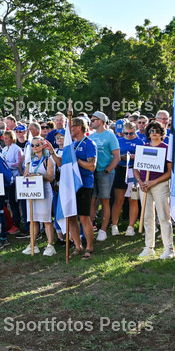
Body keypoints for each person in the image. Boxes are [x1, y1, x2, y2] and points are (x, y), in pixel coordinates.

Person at [135, 121, 173, 260]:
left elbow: (170, 172)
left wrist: (154, 182)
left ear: (162, 133)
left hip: (160, 185)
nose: (154, 132)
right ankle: (149, 247)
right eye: (151, 130)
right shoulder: (143, 147)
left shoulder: (166, 148)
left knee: (164, 216)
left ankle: (169, 248)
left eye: (157, 130)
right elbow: (136, 168)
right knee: (147, 217)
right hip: (144, 186)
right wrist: (141, 182)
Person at [69, 117, 98, 258]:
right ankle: (77, 246)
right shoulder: (71, 144)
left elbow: (92, 166)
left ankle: (89, 248)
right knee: (71, 217)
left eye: (72, 126)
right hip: (71, 185)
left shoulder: (89, 144)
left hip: (85, 184)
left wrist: (77, 161)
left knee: (84, 217)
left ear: (79, 127)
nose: (70, 129)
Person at [24, 136, 58, 256]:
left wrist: (38, 175)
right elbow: (25, 174)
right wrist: (28, 175)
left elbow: (51, 177)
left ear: (43, 145)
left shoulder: (48, 160)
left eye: (37, 145)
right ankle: (33, 244)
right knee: (33, 220)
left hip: (45, 192)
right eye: (32, 145)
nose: (34, 147)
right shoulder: (30, 160)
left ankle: (50, 245)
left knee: (46, 220)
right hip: (31, 192)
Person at [90, 111, 120, 241]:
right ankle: (90, 227)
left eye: (93, 120)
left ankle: (103, 230)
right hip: (93, 172)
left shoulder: (110, 135)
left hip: (105, 173)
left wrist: (107, 170)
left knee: (105, 200)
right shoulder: (91, 136)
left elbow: (117, 156)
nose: (91, 122)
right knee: (91, 200)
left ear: (101, 121)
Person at [114, 120, 142, 236]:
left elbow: (143, 157)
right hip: (121, 170)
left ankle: (131, 226)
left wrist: (136, 157)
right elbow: (114, 156)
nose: (129, 136)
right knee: (119, 200)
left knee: (133, 200)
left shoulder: (139, 142)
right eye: (126, 133)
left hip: (134, 170)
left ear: (135, 132)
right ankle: (114, 225)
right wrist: (121, 157)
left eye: (131, 133)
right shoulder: (118, 141)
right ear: (122, 133)